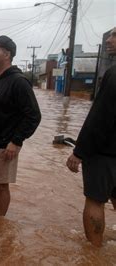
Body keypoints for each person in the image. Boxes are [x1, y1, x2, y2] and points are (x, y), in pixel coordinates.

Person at [0, 35, 41, 216]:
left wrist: (16, 141)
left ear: (7, 55)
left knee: (1, 185)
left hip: (6, 145)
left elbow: (33, 116)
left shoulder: (19, 82)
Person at [66, 27, 116, 247]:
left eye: (115, 36)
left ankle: (94, 253)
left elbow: (100, 116)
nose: (109, 40)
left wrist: (79, 152)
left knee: (95, 200)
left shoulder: (113, 73)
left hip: (104, 153)